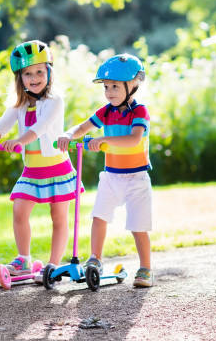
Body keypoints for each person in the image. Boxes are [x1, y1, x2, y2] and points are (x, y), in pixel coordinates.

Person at [0, 40, 81, 282]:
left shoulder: (55, 101)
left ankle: (53, 264)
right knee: (19, 210)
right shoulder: (20, 104)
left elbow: (40, 128)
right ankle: (24, 259)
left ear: (49, 72)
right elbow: (3, 124)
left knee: (59, 217)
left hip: (57, 168)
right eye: (28, 73)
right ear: (20, 78)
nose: (34, 78)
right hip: (32, 171)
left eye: (39, 72)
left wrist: (20, 141)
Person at [56, 53, 154, 287]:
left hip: (137, 178)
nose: (109, 91)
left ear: (133, 85)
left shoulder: (139, 112)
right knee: (99, 216)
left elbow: (133, 139)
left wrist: (103, 140)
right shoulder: (106, 111)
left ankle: (146, 268)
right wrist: (69, 135)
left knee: (138, 225)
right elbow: (83, 126)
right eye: (106, 87)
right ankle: (95, 258)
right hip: (111, 176)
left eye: (115, 86)